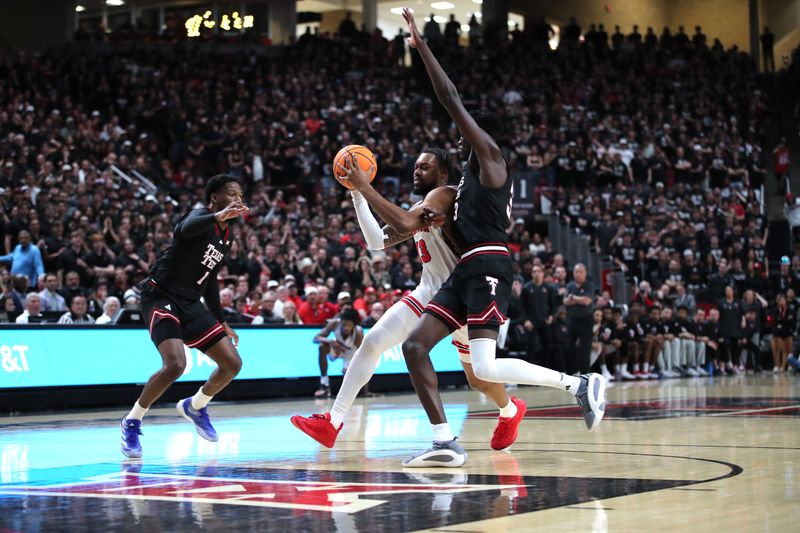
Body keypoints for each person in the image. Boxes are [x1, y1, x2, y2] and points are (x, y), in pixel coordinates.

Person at [390, 9, 606, 468]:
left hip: (488, 264)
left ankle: (579, 385)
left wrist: (422, 45)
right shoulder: (466, 180)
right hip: (466, 269)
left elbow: (449, 97)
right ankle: (444, 442)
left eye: (466, 130)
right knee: (414, 346)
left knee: (485, 368)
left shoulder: (490, 159)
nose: (459, 135)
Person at [292, 149, 526, 452]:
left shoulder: (447, 195)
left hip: (463, 298)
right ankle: (332, 421)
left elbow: (403, 224)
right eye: (415, 166)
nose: (416, 171)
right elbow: (377, 242)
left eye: (425, 167)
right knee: (373, 341)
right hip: (429, 293)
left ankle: (509, 410)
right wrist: (356, 196)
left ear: (442, 174)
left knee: (480, 378)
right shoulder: (420, 208)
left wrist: (364, 186)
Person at [119, 175, 248, 459]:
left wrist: (221, 319)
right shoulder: (200, 216)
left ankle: (196, 405)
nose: (237, 199)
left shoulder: (227, 237)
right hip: (160, 295)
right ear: (214, 197)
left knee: (232, 364)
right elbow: (183, 230)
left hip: (190, 301)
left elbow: (210, 278)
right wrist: (216, 215)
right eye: (230, 194)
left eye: (240, 195)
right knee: (175, 364)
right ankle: (132, 420)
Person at [313, 308, 364, 397]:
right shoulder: (334, 323)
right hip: (337, 349)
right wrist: (330, 341)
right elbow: (316, 338)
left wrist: (352, 367)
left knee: (349, 387)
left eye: (349, 325)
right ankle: (324, 384)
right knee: (322, 347)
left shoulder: (359, 332)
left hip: (351, 354)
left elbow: (361, 356)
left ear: (354, 325)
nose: (346, 328)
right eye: (343, 325)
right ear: (340, 322)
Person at [520, 264, 559, 366]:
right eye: (534, 271)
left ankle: (545, 373)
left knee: (547, 346)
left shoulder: (548, 288)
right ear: (532, 274)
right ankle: (528, 377)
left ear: (543, 274)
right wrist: (526, 320)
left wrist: (551, 316)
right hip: (531, 322)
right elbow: (522, 307)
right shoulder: (526, 288)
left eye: (538, 271)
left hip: (544, 321)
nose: (536, 273)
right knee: (530, 348)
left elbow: (552, 304)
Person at [565, 263, 595, 374]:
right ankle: (572, 372)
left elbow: (587, 301)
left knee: (585, 349)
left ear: (585, 273)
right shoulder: (570, 286)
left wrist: (573, 297)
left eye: (580, 272)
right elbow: (565, 301)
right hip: (572, 319)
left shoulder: (589, 285)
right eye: (576, 272)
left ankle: (585, 374)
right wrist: (579, 299)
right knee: (568, 346)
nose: (578, 274)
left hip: (586, 320)